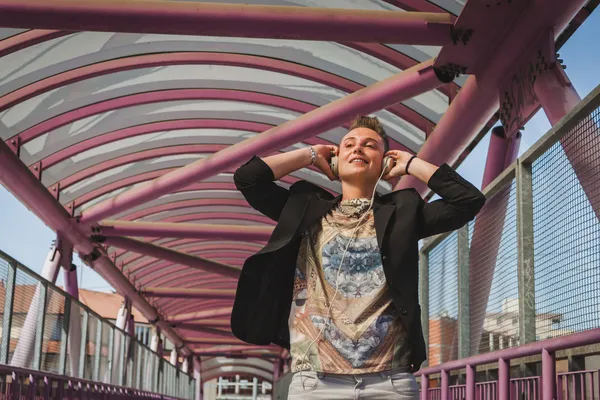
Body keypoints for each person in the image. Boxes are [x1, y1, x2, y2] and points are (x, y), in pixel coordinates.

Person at [231, 116, 486, 399]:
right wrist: (311, 154)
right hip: (314, 383)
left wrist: (411, 164)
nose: (358, 149)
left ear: (385, 163)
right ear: (336, 161)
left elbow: (468, 200)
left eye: (370, 146)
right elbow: (248, 178)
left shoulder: (404, 212)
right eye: (348, 145)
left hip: (390, 383)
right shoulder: (305, 208)